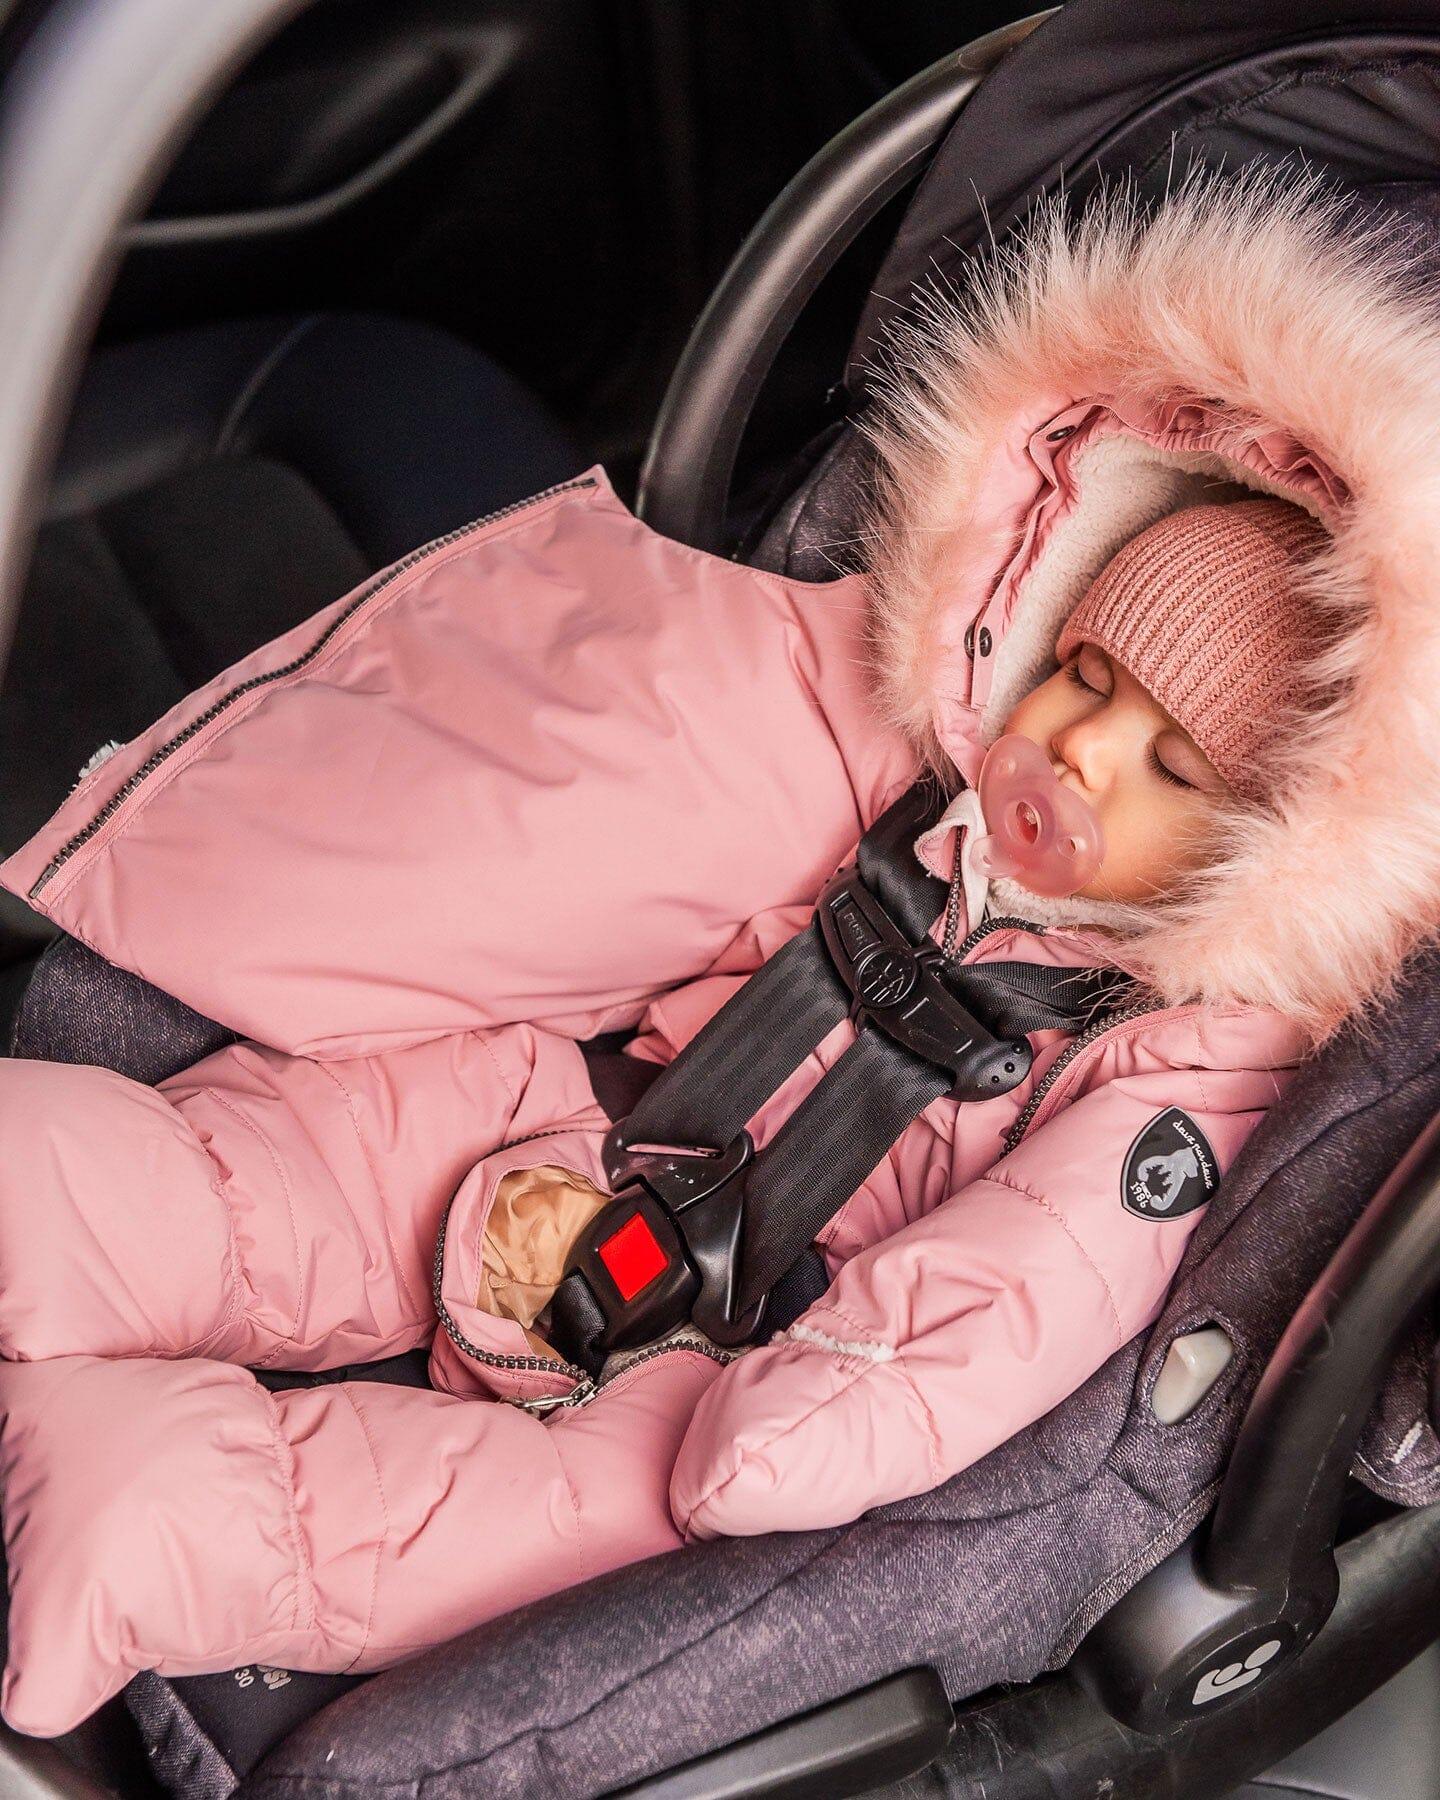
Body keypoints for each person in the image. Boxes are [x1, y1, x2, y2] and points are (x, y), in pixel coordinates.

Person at [0, 496, 1331, 1734]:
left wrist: (826, 1407)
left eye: (1170, 766)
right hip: (587, 1104)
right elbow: (694, 759)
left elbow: (1035, 1278)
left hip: (753, 1333)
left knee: (574, 1521)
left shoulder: (1178, 1057)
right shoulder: (914, 774)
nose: (1082, 751)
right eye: (1082, 679)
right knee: (297, 1163)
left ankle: (149, 1519)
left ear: (1260, 852)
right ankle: (49, 1203)